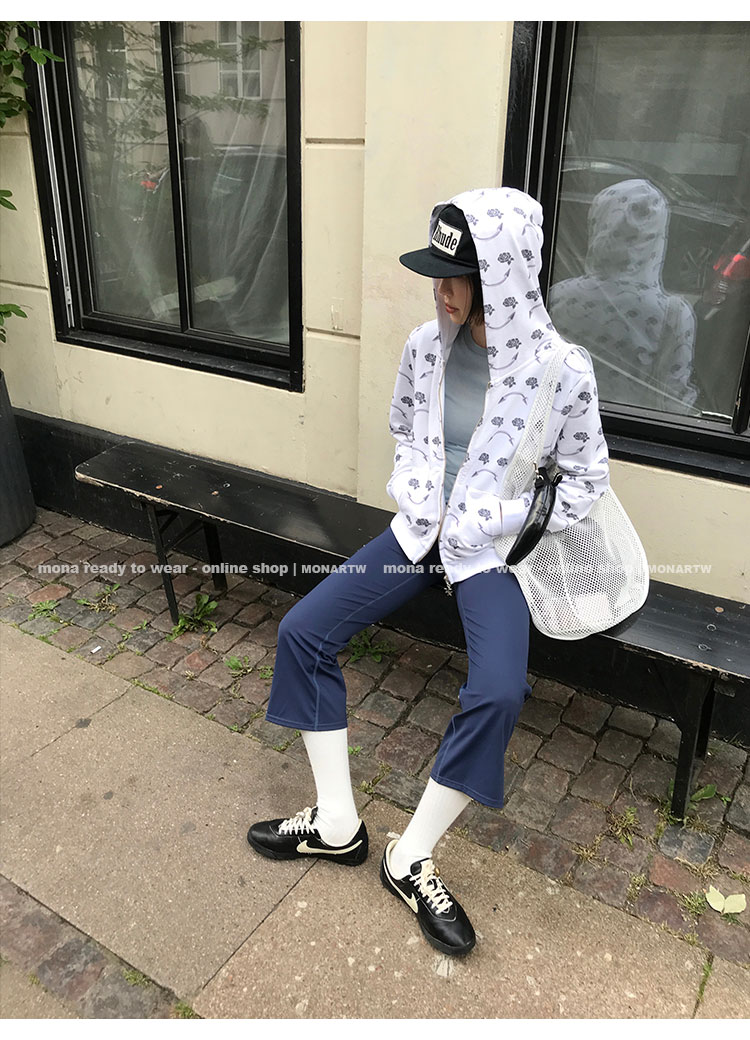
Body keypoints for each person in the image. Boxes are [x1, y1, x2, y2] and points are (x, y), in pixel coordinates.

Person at [247, 186, 610, 957]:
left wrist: (498, 519)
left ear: (503, 279)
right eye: (437, 275)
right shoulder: (425, 344)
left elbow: (585, 485)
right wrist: (417, 488)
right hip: (418, 533)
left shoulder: (562, 371)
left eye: (456, 277)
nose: (440, 291)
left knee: (499, 690)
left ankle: (409, 858)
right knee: (303, 631)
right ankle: (337, 824)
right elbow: (407, 427)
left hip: (492, 554)